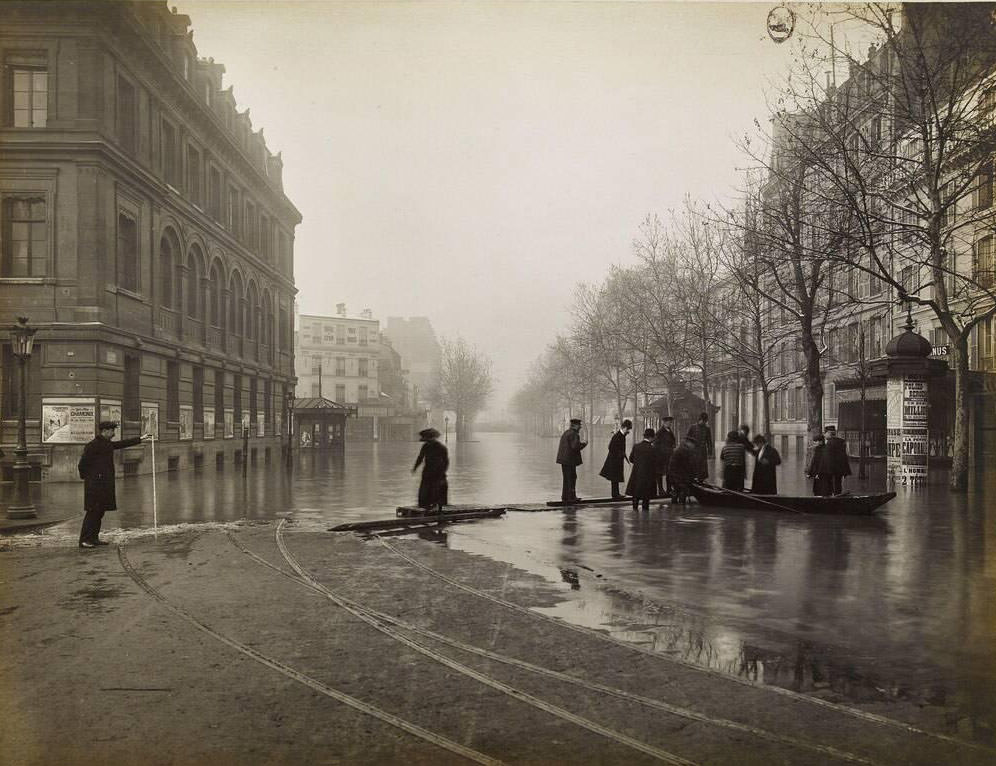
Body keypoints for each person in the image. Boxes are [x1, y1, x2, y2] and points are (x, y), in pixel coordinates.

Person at [77, 422, 150, 548]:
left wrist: (140, 439)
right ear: (104, 431)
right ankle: (84, 539)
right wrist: (90, 478)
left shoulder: (106, 444)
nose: (113, 433)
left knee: (99, 512)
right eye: (111, 431)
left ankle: (94, 538)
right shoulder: (93, 445)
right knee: (92, 512)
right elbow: (82, 464)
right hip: (94, 486)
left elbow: (121, 444)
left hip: (103, 485)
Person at [412, 427, 449, 512]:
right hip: (428, 471)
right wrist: (415, 467)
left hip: (437, 471)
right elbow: (420, 458)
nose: (427, 441)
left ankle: (437, 507)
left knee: (436, 490)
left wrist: (443, 472)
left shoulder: (441, 447)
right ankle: (427, 506)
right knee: (426, 490)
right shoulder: (425, 446)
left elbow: (446, 461)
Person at [625, 428, 659, 511]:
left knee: (635, 495)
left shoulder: (636, 446)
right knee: (646, 498)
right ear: (651, 437)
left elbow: (631, 459)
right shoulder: (653, 449)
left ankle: (635, 512)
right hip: (648, 476)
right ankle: (645, 517)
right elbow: (656, 463)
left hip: (636, 474)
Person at [555, 418, 588, 502]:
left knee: (566, 478)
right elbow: (575, 447)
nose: (580, 427)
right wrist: (584, 444)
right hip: (570, 460)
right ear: (575, 426)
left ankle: (565, 497)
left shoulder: (566, 433)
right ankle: (571, 498)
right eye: (579, 425)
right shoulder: (574, 434)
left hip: (564, 460)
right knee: (572, 477)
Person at [598, 419, 632, 499]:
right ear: (624, 427)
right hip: (614, 460)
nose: (628, 431)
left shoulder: (621, 435)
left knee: (615, 477)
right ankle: (615, 494)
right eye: (628, 429)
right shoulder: (617, 436)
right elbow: (610, 447)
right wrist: (620, 454)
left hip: (617, 460)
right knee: (614, 477)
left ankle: (616, 493)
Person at [820, 425, 852, 496]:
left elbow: (827, 459)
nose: (824, 435)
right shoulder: (841, 441)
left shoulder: (829, 443)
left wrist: (822, 470)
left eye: (825, 433)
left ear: (828, 433)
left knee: (831, 485)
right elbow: (846, 455)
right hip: (840, 469)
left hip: (831, 470)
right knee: (838, 484)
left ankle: (833, 499)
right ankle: (838, 497)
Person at [667, 436, 698, 504]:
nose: (694, 447)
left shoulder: (680, 449)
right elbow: (688, 465)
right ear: (689, 443)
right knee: (683, 490)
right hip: (679, 476)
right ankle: (681, 508)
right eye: (693, 445)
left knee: (676, 490)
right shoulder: (685, 451)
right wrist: (693, 476)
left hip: (673, 475)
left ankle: (674, 507)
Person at [652, 416, 676, 497]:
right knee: (659, 473)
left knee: (669, 473)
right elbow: (656, 444)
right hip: (661, 457)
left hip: (669, 456)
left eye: (670, 422)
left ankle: (669, 489)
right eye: (668, 422)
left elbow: (673, 441)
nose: (670, 424)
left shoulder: (669, 431)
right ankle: (661, 490)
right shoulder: (660, 432)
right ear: (664, 423)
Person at [686, 412, 714, 481]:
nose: (704, 422)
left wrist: (710, 452)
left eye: (705, 421)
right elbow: (687, 438)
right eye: (703, 421)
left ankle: (701, 480)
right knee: (694, 465)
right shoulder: (692, 427)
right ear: (699, 419)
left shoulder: (707, 429)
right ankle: (693, 480)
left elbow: (709, 441)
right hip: (693, 450)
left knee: (702, 467)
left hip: (702, 451)